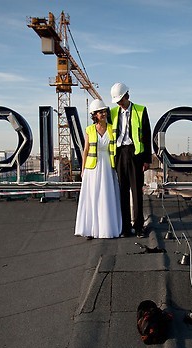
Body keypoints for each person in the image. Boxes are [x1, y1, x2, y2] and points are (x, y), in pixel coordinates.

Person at [74, 99, 122, 240]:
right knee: (92, 196)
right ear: (94, 115)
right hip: (92, 168)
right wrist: (83, 170)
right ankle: (90, 229)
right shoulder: (89, 130)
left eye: (104, 111)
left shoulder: (111, 129)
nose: (103, 114)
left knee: (106, 195)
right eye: (100, 112)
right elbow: (86, 150)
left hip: (107, 165)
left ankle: (106, 228)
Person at [110, 82, 152, 238]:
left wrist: (147, 159)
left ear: (127, 96)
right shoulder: (113, 112)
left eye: (121, 100)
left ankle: (139, 226)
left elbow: (147, 135)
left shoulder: (140, 110)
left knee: (136, 192)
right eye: (117, 101)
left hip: (135, 154)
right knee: (122, 192)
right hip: (119, 153)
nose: (119, 104)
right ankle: (125, 227)